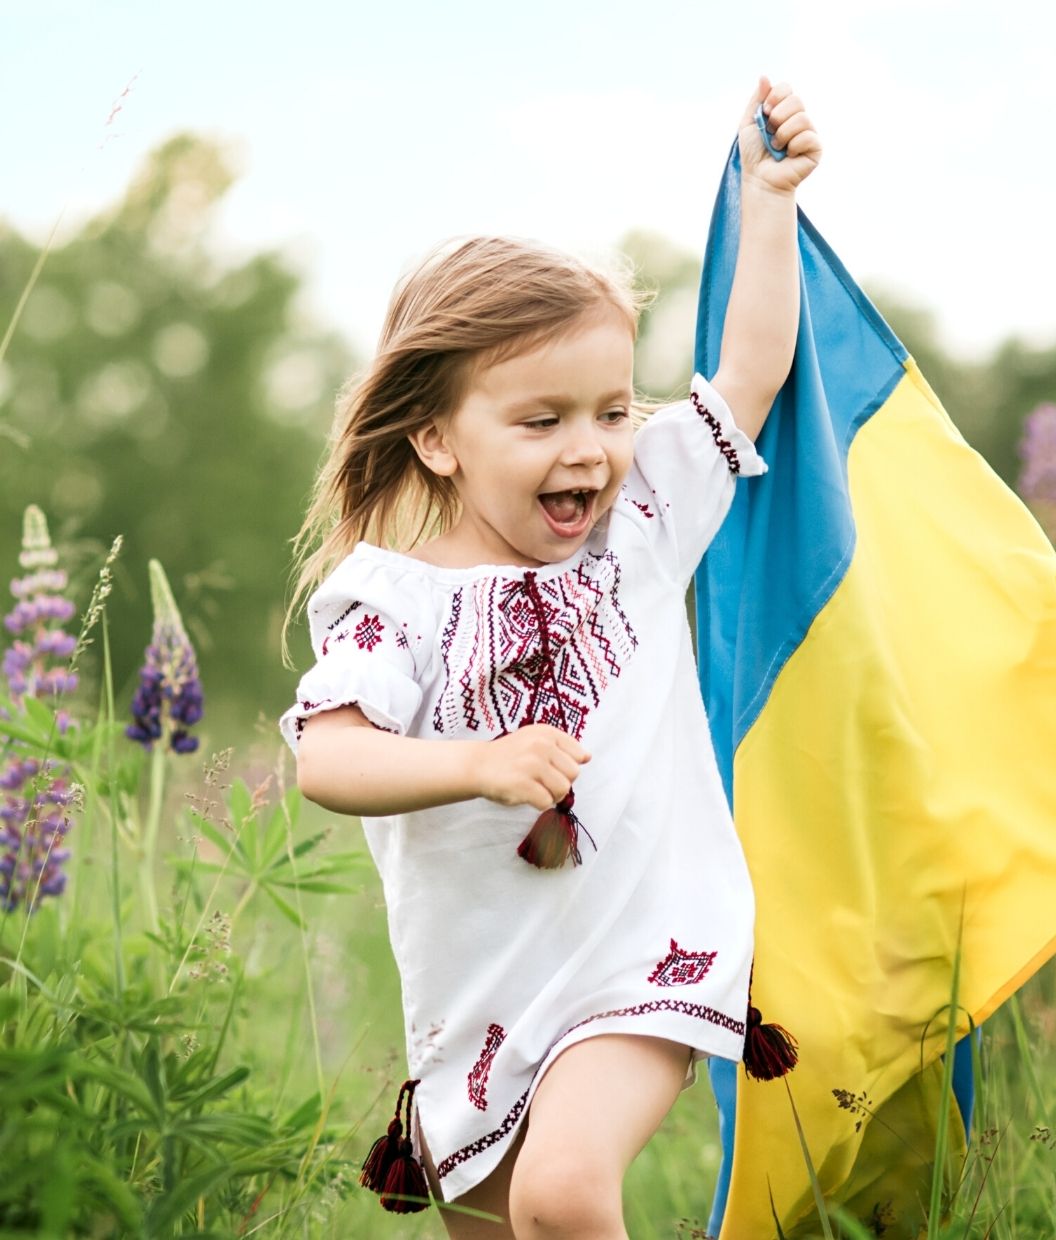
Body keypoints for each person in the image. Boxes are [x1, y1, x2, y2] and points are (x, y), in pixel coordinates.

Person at [279, 77, 820, 1239]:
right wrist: (474, 762)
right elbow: (329, 760)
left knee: (565, 1193)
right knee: (496, 1215)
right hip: (481, 993)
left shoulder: (643, 527)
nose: (591, 450)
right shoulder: (391, 600)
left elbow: (751, 374)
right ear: (435, 437)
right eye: (541, 422)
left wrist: (767, 201)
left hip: (644, 943)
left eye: (611, 412)